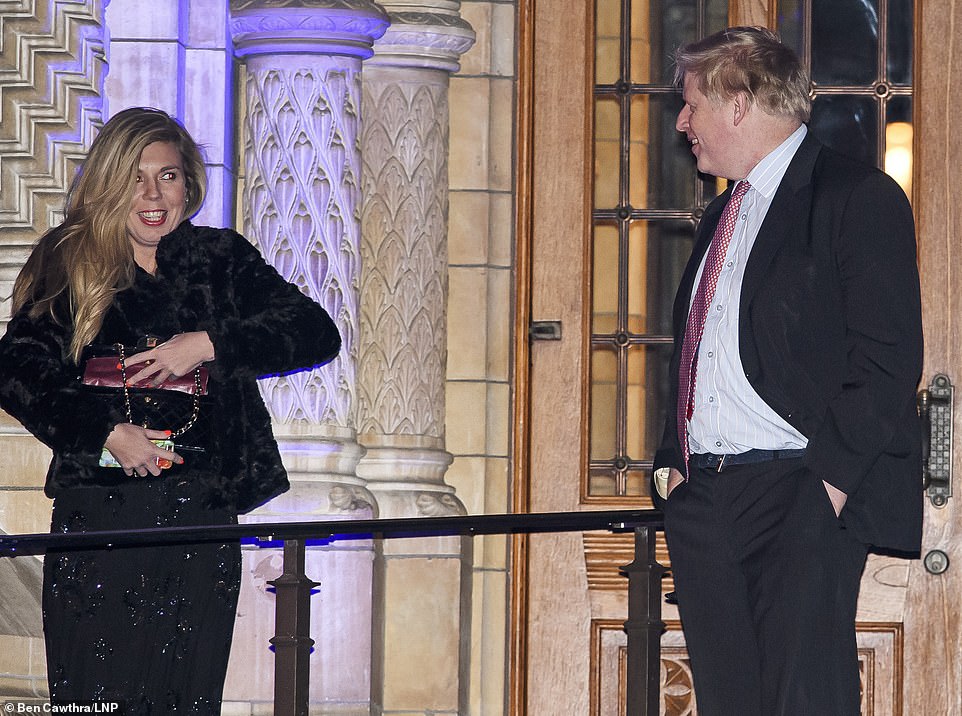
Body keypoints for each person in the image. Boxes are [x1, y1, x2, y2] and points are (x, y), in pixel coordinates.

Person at [0, 107, 341, 713]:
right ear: (109, 184)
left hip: (202, 511)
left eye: (168, 176)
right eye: (135, 178)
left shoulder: (221, 257)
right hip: (104, 512)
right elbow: (17, 371)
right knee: (97, 697)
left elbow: (316, 332)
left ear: (189, 184)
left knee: (186, 696)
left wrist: (209, 343)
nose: (153, 195)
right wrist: (107, 433)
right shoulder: (69, 258)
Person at [651, 27, 923, 716]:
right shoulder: (723, 212)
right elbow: (700, 353)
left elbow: (888, 360)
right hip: (706, 501)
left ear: (739, 103)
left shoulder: (856, 196)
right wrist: (673, 470)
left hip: (798, 490)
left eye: (691, 104)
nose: (682, 123)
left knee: (804, 701)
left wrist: (826, 487)